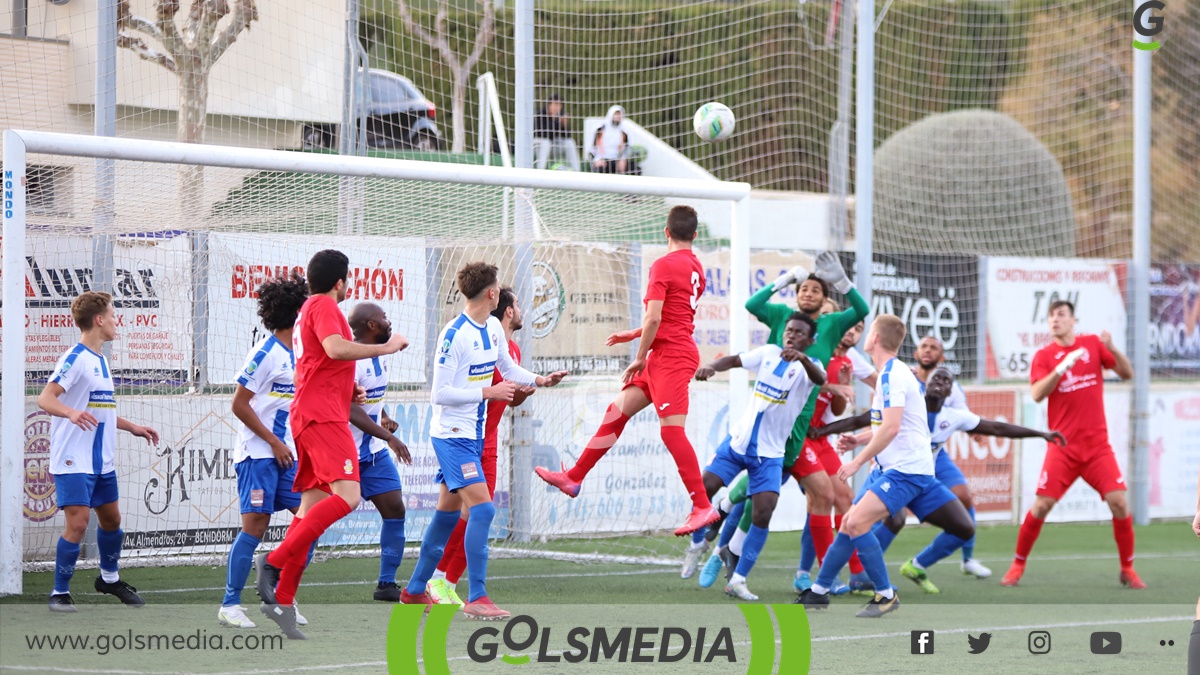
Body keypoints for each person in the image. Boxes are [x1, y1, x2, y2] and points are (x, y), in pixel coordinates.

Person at [534, 205, 719, 537]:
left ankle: (702, 505)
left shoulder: (663, 264)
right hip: (665, 353)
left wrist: (639, 355)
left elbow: (656, 319)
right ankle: (574, 477)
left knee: (671, 432)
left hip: (671, 357)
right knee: (615, 412)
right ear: (693, 235)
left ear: (666, 232)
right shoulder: (696, 268)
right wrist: (635, 336)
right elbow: (673, 318)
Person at [254, 250, 409, 639]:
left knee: (310, 510)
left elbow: (324, 359)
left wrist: (346, 386)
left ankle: (283, 602)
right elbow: (337, 348)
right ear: (341, 282)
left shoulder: (309, 307)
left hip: (314, 411)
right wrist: (386, 348)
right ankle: (271, 562)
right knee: (350, 497)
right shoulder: (324, 305)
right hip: (322, 417)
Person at [402, 264, 566, 619]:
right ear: (491, 294)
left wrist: (541, 379)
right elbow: (439, 395)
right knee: (484, 509)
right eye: (498, 287)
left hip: (473, 437)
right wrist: (487, 391)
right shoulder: (454, 335)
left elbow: (508, 370)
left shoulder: (492, 327)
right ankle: (477, 596)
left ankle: (415, 590)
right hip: (451, 437)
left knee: (446, 518)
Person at [697, 253, 869, 591]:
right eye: (803, 288)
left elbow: (859, 315)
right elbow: (752, 303)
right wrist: (785, 278)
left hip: (802, 429)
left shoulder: (831, 327)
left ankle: (815, 574)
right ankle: (721, 549)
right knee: (763, 499)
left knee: (809, 497)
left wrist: (845, 283)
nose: (808, 293)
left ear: (824, 301)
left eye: (815, 290)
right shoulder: (780, 317)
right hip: (778, 429)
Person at [815, 366, 1065, 593]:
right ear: (926, 383)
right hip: (893, 475)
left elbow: (997, 428)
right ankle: (854, 577)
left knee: (965, 528)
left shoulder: (954, 416)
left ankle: (917, 565)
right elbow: (868, 419)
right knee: (868, 521)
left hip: (922, 481)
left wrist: (1040, 433)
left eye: (946, 380)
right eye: (936, 377)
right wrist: (826, 432)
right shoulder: (910, 403)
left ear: (950, 391)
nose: (939, 382)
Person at [796, 315, 974, 618]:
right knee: (848, 522)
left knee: (856, 524)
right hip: (894, 467)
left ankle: (885, 594)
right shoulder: (892, 373)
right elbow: (891, 425)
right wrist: (859, 440)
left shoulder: (892, 375)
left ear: (875, 338)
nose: (863, 337)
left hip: (906, 471)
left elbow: (891, 429)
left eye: (868, 332)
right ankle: (820, 591)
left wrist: (857, 462)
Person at [1001, 300, 1140, 588]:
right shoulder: (1044, 356)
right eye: (1051, 316)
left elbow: (1127, 374)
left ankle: (1128, 569)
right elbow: (1037, 393)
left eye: (1061, 315)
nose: (1055, 320)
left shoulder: (1091, 344)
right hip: (1063, 446)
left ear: (1073, 320)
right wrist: (1060, 369)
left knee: (1119, 503)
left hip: (1097, 446)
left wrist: (1112, 348)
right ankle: (1017, 566)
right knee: (1041, 506)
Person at [38, 291, 160, 613]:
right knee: (78, 524)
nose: (117, 320)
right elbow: (46, 399)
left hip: (101, 460)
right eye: (113, 313)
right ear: (99, 320)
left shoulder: (102, 360)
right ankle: (59, 593)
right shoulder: (75, 358)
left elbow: (100, 410)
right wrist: (70, 413)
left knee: (112, 519)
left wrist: (133, 427)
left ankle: (108, 578)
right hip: (73, 457)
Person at [693, 313, 826, 600]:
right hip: (739, 442)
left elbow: (821, 378)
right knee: (706, 486)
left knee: (762, 511)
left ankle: (737, 579)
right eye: (789, 330)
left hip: (771, 453)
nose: (791, 335)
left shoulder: (810, 367)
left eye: (799, 333)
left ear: (810, 341)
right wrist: (711, 366)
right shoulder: (767, 353)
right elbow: (734, 360)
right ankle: (699, 542)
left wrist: (801, 359)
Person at [427, 287, 534, 607]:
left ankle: (442, 582)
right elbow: (462, 389)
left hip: (489, 441)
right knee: (472, 512)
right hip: (464, 439)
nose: (520, 308)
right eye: (518, 303)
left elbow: (506, 396)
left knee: (474, 514)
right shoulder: (475, 341)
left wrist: (525, 391)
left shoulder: (510, 350)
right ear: (510, 312)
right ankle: (435, 580)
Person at [219, 275, 310, 629]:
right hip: (259, 454)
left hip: (289, 456)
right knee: (255, 527)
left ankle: (282, 595)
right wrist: (273, 442)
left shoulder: (300, 353)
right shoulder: (265, 353)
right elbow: (239, 405)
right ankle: (230, 604)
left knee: (309, 521)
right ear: (297, 312)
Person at [346, 303, 414, 603]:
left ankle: (386, 584)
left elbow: (371, 397)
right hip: (344, 454)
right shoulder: (352, 360)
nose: (389, 321)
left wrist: (382, 415)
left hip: (373, 454)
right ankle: (279, 568)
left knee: (395, 509)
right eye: (384, 317)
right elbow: (348, 408)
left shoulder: (382, 356)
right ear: (372, 326)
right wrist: (389, 437)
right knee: (317, 517)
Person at [912, 336, 967, 409]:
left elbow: (963, 416)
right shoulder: (907, 381)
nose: (927, 350)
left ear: (942, 358)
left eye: (933, 348)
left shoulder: (952, 387)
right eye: (924, 346)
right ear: (916, 355)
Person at [535, 94, 580, 171]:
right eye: (555, 104)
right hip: (537, 146)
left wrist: (563, 125)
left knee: (570, 142)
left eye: (559, 105)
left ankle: (577, 171)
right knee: (546, 142)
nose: (557, 107)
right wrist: (556, 122)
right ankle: (540, 170)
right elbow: (544, 134)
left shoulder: (560, 116)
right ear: (549, 105)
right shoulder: (540, 114)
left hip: (552, 147)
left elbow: (567, 136)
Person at [591, 105, 630, 174]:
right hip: (603, 159)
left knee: (634, 168)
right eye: (616, 115)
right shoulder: (600, 130)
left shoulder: (623, 132)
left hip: (616, 159)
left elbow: (626, 148)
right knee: (600, 169)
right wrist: (597, 159)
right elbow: (592, 148)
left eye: (619, 115)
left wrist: (622, 159)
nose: (618, 117)